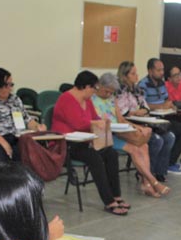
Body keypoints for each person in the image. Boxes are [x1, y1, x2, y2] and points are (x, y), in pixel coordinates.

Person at [52, 70, 129, 216]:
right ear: (86, 87)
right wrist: (96, 122)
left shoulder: (86, 100)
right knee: (95, 158)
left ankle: (116, 195)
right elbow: (78, 124)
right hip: (67, 143)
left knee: (111, 154)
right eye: (94, 88)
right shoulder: (66, 99)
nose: (94, 92)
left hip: (84, 141)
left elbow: (94, 116)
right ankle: (108, 201)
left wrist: (102, 120)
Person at [92, 72, 169, 198]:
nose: (108, 94)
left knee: (144, 146)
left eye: (111, 92)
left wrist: (139, 128)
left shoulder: (112, 99)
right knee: (134, 149)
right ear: (99, 85)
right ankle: (152, 181)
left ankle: (146, 184)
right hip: (104, 136)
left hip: (118, 133)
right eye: (106, 91)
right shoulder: (92, 100)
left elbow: (121, 120)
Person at [0, 68, 46, 164]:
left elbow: (27, 119)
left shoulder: (14, 99)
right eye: (7, 85)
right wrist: (3, 143)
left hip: (16, 137)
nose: (10, 88)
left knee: (30, 154)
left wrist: (37, 126)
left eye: (11, 84)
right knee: (1, 158)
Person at [116, 61, 174, 183]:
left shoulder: (137, 89)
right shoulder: (120, 89)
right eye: (133, 73)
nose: (136, 76)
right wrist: (136, 112)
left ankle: (160, 171)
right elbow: (122, 112)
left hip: (143, 122)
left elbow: (145, 107)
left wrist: (141, 111)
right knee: (157, 140)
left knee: (170, 137)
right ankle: (147, 173)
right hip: (128, 125)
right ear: (125, 75)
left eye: (136, 73)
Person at [138, 58, 181, 176]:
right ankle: (156, 169)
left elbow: (167, 99)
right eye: (159, 70)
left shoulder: (161, 83)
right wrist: (161, 106)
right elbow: (143, 105)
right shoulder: (143, 85)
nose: (162, 72)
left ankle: (166, 166)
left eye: (162, 69)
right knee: (167, 137)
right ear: (150, 71)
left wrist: (170, 105)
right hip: (151, 120)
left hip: (165, 117)